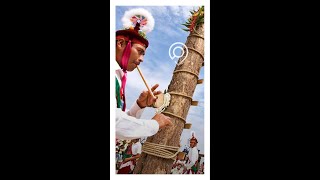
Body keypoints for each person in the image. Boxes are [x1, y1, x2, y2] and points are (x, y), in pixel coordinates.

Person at [115, 8, 173, 140]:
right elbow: (116, 124)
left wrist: (140, 105)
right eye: (140, 51)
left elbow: (121, 124)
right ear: (121, 43)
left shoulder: (118, 76)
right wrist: (155, 124)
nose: (142, 59)